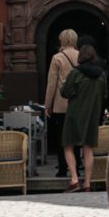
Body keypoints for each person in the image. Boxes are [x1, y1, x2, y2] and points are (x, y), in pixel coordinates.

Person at [58, 40, 108, 193]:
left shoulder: (75, 73)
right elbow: (105, 94)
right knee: (88, 148)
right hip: (92, 115)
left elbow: (65, 92)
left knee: (68, 145)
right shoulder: (102, 75)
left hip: (74, 114)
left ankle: (74, 180)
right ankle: (87, 183)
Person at [44, 28, 80, 172]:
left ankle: (63, 168)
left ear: (62, 40)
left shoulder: (57, 58)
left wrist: (48, 104)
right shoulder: (80, 56)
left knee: (61, 137)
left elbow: (52, 83)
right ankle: (77, 166)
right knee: (76, 136)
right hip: (77, 102)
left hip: (60, 103)